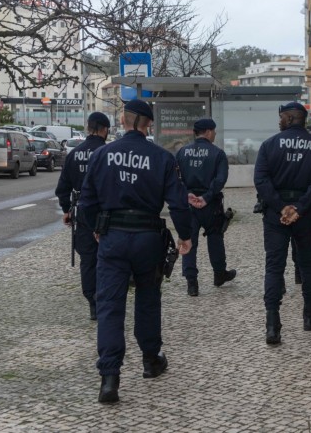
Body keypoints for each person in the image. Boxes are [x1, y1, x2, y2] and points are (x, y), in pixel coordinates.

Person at [78, 99, 193, 403]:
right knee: (148, 300)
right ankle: (151, 360)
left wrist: (97, 228)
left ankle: (109, 378)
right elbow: (178, 203)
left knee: (109, 305)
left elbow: (86, 202)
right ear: (149, 124)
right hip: (147, 238)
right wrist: (185, 236)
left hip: (113, 238)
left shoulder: (102, 155)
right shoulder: (162, 158)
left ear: (123, 120)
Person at [254, 101, 311, 345]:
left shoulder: (268, 145)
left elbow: (261, 180)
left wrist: (281, 207)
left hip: (275, 216)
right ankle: (309, 317)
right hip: (305, 216)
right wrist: (299, 207)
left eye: (281, 118)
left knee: (274, 268)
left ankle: (272, 326)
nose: (279, 121)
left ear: (289, 118)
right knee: (308, 265)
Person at [54, 112, 110, 320]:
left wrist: (67, 210)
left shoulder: (74, 154)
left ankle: (92, 301)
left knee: (87, 259)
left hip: (83, 213)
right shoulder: (108, 153)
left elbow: (62, 188)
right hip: (106, 212)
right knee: (108, 257)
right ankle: (106, 298)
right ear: (105, 130)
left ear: (88, 128)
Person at [175, 118, 236, 297]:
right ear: (208, 132)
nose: (215, 134)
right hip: (211, 204)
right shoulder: (217, 153)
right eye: (214, 131)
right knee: (215, 238)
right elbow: (220, 179)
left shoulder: (182, 152)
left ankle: (192, 283)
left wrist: (188, 194)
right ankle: (219, 274)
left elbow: (176, 178)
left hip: (188, 204)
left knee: (189, 241)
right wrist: (206, 197)